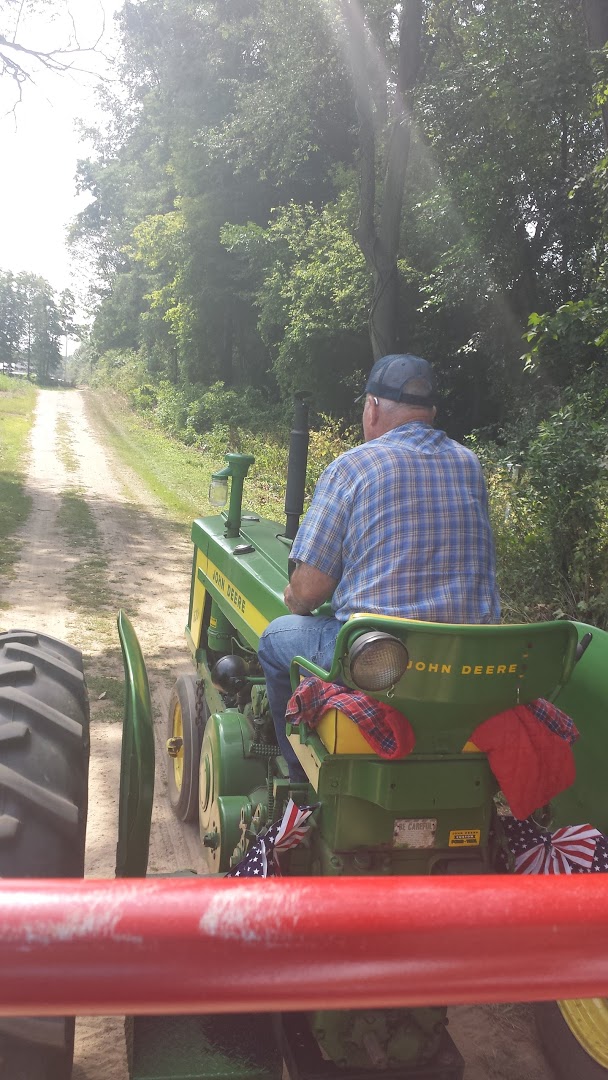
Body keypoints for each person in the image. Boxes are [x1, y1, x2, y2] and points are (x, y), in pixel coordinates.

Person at [258, 353, 500, 780]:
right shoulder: (469, 464)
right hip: (463, 661)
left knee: (276, 637)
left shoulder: (353, 467)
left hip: (380, 661)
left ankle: (300, 781)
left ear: (371, 407)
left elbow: (308, 592)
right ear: (431, 413)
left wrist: (294, 595)